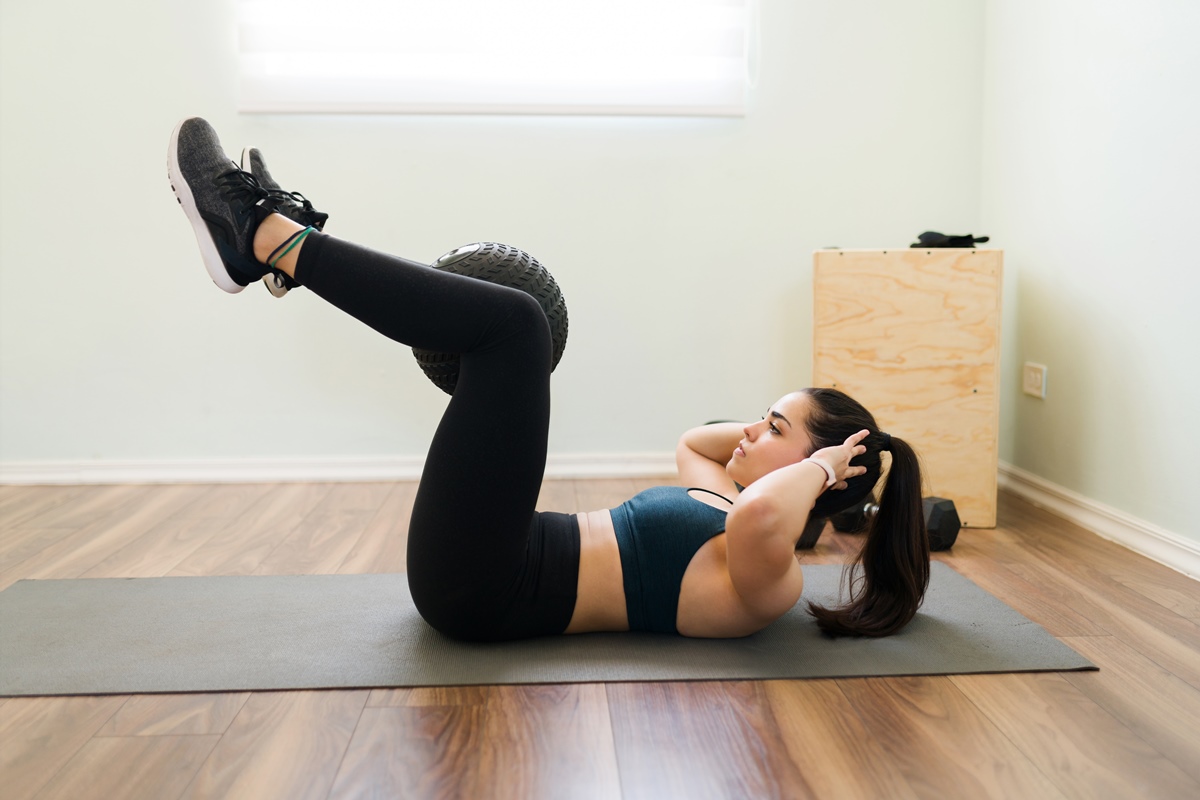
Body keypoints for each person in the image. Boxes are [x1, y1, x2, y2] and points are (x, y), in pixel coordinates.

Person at [167, 117, 930, 643]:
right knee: (508, 329)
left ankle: (266, 234)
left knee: (516, 328)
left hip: (485, 588)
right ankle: (274, 245)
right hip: (495, 554)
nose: (753, 428)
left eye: (774, 429)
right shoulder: (720, 491)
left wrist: (829, 468)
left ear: (812, 475)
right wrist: (788, 442)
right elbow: (698, 440)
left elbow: (768, 517)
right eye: (763, 416)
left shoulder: (771, 577)